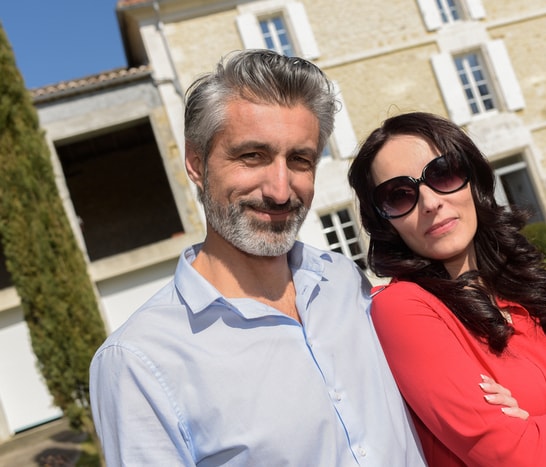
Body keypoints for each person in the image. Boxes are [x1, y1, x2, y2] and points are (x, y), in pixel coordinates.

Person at [89, 49, 428, 466]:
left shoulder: (342, 282)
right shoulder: (138, 363)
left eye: (300, 160)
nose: (281, 190)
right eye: (253, 156)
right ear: (196, 164)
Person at [347, 111, 546, 466]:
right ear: (384, 221)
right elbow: (519, 458)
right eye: (399, 195)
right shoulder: (403, 309)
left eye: (442, 173)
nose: (430, 202)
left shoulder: (526, 282)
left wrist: (544, 432)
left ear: (472, 179)